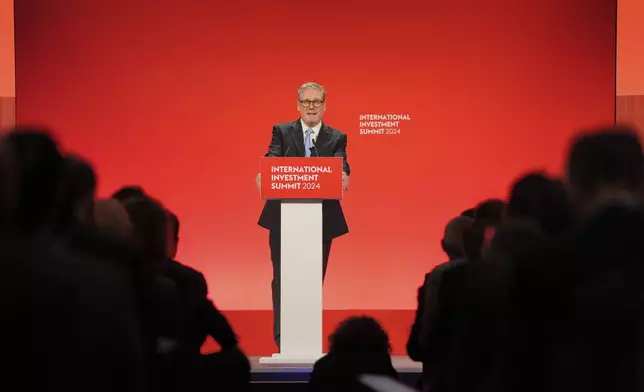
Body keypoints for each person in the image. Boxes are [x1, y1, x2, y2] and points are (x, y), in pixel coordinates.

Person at [255, 81, 351, 348]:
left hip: (321, 219)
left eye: (316, 102)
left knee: (312, 278)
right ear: (298, 105)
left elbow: (342, 164)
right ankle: (283, 340)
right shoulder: (282, 132)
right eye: (306, 102)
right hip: (283, 217)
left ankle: (306, 339)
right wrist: (268, 173)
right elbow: (273, 157)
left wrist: (343, 176)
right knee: (282, 279)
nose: (311, 107)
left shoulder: (337, 137)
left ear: (325, 106)